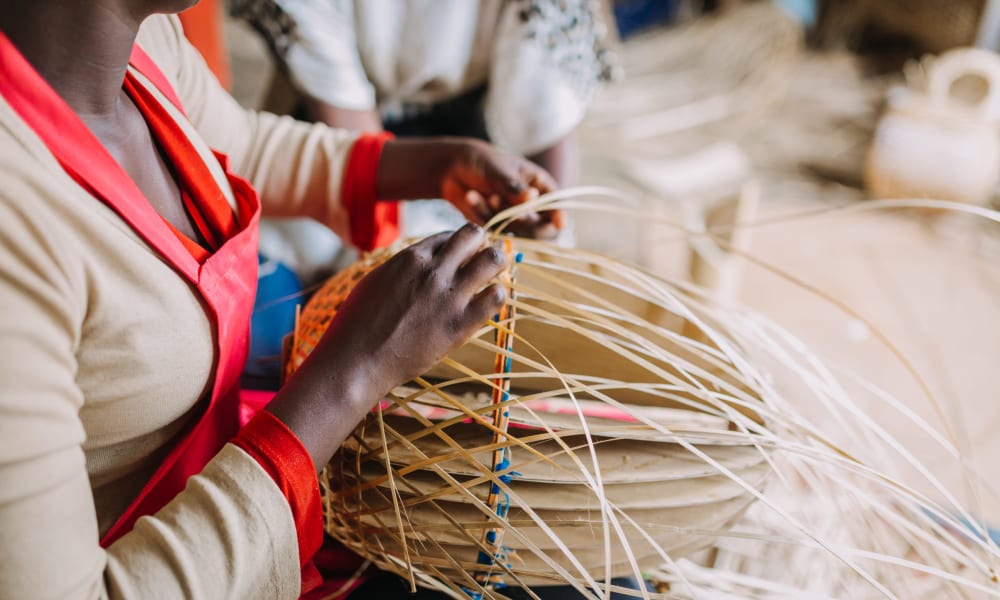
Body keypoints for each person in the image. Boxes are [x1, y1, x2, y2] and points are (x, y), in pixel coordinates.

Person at [0, 0, 560, 597]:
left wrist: (432, 163)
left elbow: (243, 142)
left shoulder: (141, 43)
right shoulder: (17, 222)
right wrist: (354, 372)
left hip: (243, 500)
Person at [235, 0, 618, 188]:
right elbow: (361, 154)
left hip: (477, 132)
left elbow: (547, 122)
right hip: (327, 132)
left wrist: (548, 237)